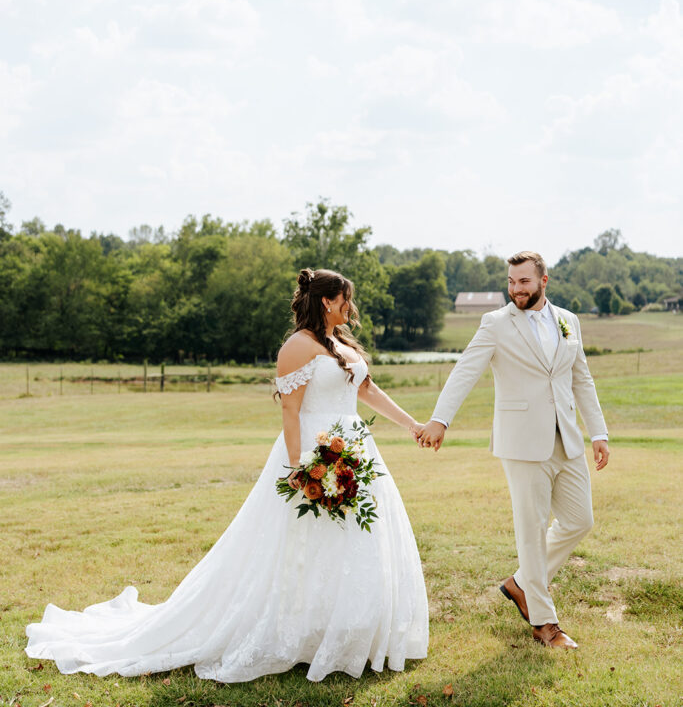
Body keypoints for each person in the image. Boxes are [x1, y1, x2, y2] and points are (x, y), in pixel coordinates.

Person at [26, 268, 429, 682]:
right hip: (313, 450)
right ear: (326, 301)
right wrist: (299, 468)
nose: (351, 306)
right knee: (299, 542)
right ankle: (299, 633)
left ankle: (342, 628)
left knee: (351, 540)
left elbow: (367, 391)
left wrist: (412, 425)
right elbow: (291, 411)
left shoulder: (342, 344)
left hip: (354, 451)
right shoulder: (298, 346)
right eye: (345, 298)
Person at [416, 251, 609, 650]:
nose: (516, 289)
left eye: (523, 281)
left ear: (543, 281)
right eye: (511, 281)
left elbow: (582, 379)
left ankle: (521, 583)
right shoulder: (496, 323)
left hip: (567, 438)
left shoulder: (568, 321)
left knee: (580, 521)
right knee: (532, 531)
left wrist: (598, 433)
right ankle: (544, 624)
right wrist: (440, 419)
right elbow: (465, 370)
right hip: (521, 442)